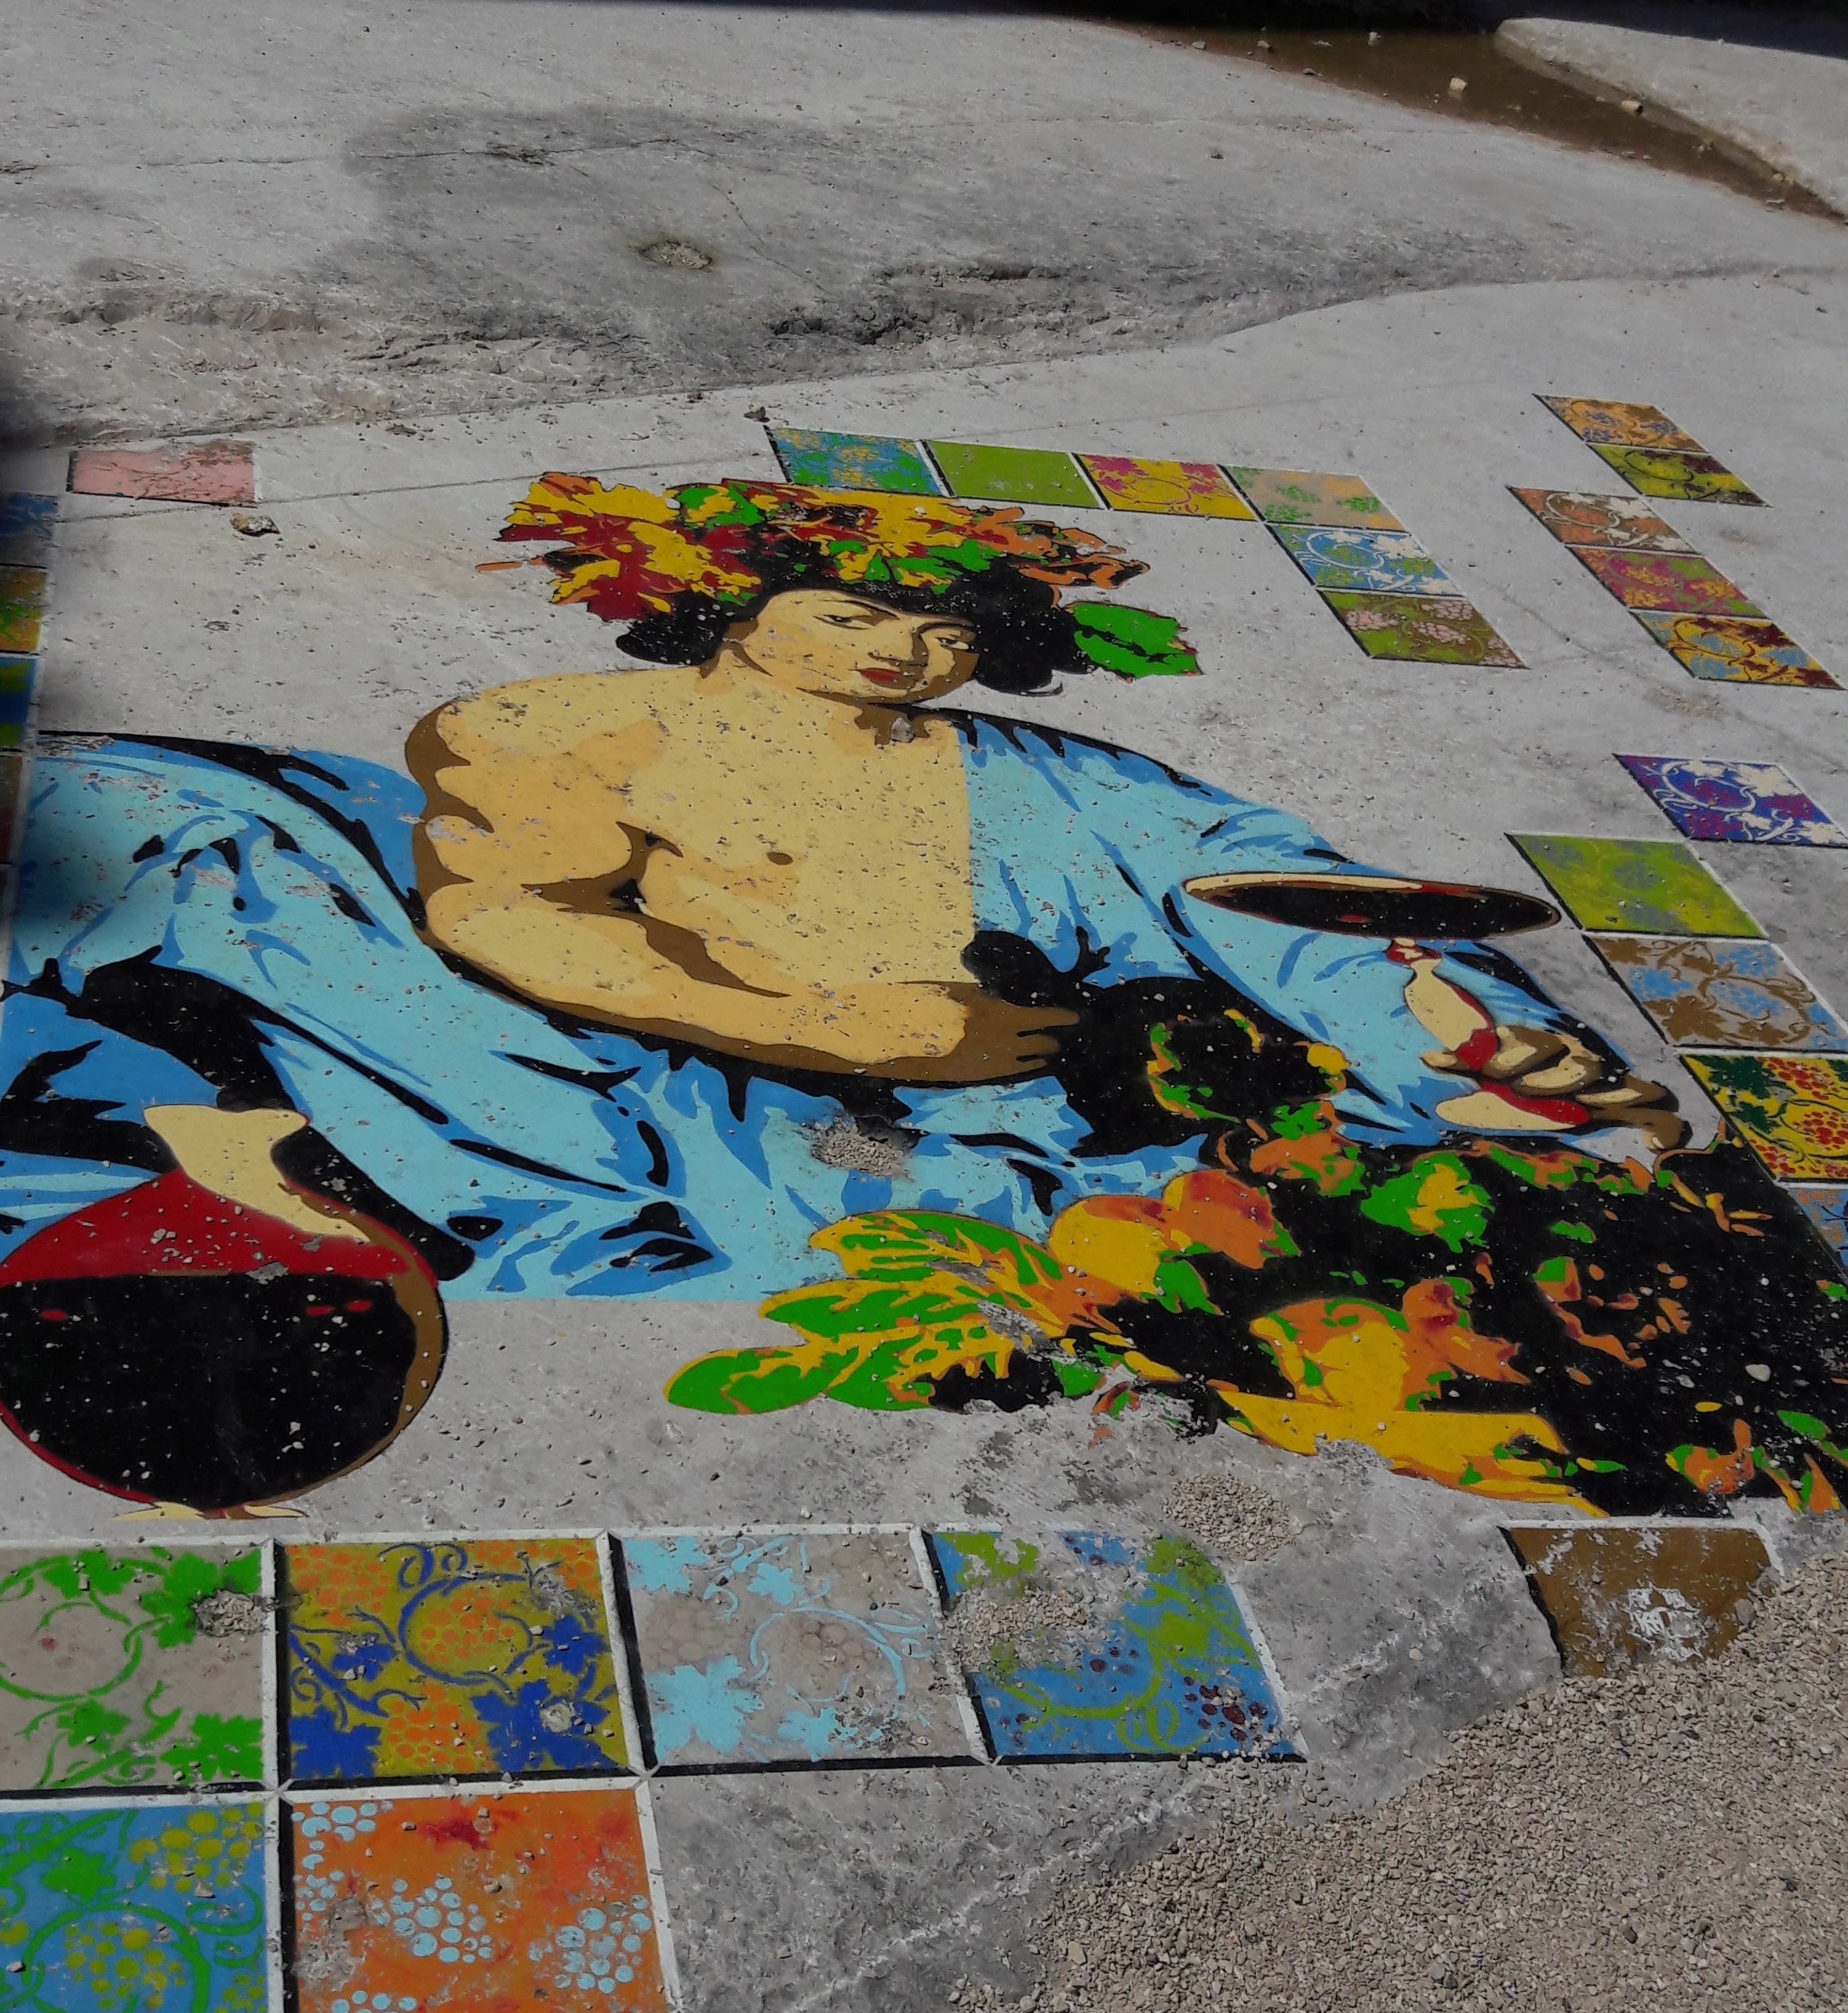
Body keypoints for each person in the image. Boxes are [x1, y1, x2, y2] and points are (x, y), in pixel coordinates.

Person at [0, 474, 1834, 1513]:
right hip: (524, 1038)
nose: (903, 643)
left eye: (944, 626)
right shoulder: (557, 730)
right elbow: (510, 926)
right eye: (857, 605)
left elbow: (1256, 889)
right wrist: (835, 1037)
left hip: (894, 1125)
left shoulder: (1039, 788)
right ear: (730, 602)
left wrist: (1457, 1047)